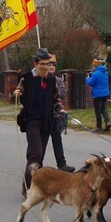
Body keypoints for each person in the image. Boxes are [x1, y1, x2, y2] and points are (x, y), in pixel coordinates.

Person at [11, 47, 63, 197]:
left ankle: (32, 183)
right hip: (31, 121)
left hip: (46, 122)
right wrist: (15, 93)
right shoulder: (26, 78)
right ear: (35, 64)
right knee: (36, 154)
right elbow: (16, 92)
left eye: (48, 64)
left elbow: (56, 100)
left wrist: (60, 111)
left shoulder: (52, 80)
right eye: (43, 64)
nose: (46, 67)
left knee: (38, 155)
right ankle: (28, 187)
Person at [47, 58, 75, 172]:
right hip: (43, 116)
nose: (51, 67)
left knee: (57, 140)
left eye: (53, 65)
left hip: (55, 115)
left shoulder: (58, 80)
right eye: (49, 65)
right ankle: (36, 164)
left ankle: (62, 164)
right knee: (41, 142)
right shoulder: (40, 80)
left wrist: (53, 88)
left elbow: (63, 94)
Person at [86, 58, 111, 131]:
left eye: (92, 66)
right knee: (104, 109)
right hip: (105, 94)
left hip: (98, 95)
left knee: (98, 111)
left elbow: (91, 83)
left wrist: (87, 78)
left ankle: (99, 126)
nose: (92, 68)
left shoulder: (95, 74)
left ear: (95, 66)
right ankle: (107, 122)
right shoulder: (105, 72)